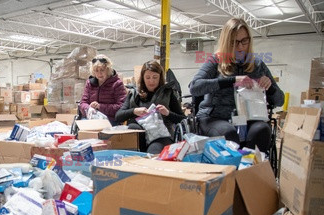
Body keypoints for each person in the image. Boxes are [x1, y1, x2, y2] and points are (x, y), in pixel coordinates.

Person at [189, 17, 284, 152]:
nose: (240, 47)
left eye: (244, 41)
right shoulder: (215, 61)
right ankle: (231, 171)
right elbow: (195, 87)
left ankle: (248, 171)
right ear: (226, 42)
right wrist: (232, 80)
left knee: (262, 131)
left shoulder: (257, 64)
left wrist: (271, 88)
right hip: (215, 117)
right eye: (234, 42)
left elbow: (280, 101)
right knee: (228, 134)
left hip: (249, 118)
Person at [115, 60, 186, 154]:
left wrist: (167, 113)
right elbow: (118, 116)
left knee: (152, 154)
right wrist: (134, 111)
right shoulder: (134, 94)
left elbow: (182, 119)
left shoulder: (168, 93)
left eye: (155, 77)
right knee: (132, 129)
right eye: (147, 77)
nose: (151, 81)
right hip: (138, 136)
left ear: (160, 77)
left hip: (160, 136)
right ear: (142, 78)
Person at [79, 54, 127, 125]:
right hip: (92, 118)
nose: (99, 73)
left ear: (108, 69)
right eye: (96, 70)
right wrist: (89, 108)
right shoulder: (89, 83)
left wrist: (100, 106)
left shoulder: (117, 84)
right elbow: (83, 102)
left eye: (102, 70)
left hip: (110, 120)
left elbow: (121, 106)